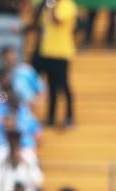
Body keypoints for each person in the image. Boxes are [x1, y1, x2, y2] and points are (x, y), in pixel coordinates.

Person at [39, 0, 77, 128]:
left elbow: (57, 20)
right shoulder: (47, 5)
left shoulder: (67, 5)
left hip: (61, 52)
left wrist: (52, 6)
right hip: (48, 51)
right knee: (51, 86)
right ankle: (50, 117)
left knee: (63, 85)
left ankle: (69, 117)